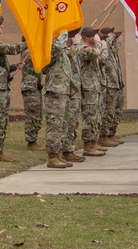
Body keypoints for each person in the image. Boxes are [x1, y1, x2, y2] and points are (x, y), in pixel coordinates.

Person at [0, 15, 26, 162]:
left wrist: (14, 67)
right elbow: (12, 49)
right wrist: (31, 42)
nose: (2, 27)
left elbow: (3, 67)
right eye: (0, 24)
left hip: (1, 87)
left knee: (3, 120)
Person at [41, 33, 73, 168]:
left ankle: (58, 154)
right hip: (55, 91)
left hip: (63, 91)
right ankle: (52, 157)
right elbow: (57, 48)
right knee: (55, 125)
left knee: (62, 125)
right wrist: (63, 34)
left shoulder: (59, 49)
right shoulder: (50, 48)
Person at [77, 27, 109, 157]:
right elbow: (95, 54)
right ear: (88, 38)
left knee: (95, 117)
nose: (95, 38)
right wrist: (101, 43)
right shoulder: (83, 49)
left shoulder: (92, 49)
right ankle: (87, 146)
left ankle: (93, 142)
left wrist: (102, 47)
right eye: (93, 36)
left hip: (95, 86)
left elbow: (102, 60)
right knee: (90, 117)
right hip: (88, 87)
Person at [98, 27, 125, 147]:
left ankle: (111, 133)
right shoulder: (103, 49)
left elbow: (115, 47)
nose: (114, 38)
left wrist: (118, 41)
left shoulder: (112, 51)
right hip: (108, 86)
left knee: (116, 111)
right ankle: (103, 136)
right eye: (111, 36)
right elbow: (107, 46)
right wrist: (109, 38)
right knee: (107, 112)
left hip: (117, 85)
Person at [64, 29, 86, 164]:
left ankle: (69, 150)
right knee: (69, 121)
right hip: (68, 92)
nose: (74, 38)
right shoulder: (64, 50)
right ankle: (66, 151)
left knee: (73, 121)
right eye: (71, 36)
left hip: (75, 91)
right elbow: (70, 53)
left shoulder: (72, 50)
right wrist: (76, 43)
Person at [19, 44, 44, 152]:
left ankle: (34, 139)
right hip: (30, 86)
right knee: (32, 114)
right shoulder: (27, 52)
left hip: (35, 86)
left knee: (37, 113)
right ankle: (31, 142)